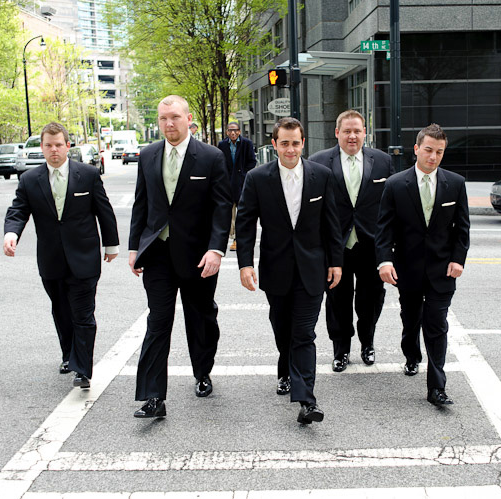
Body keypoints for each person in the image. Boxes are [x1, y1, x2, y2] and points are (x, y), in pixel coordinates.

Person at [129, 95, 232, 419]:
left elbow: (221, 208)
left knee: (201, 319)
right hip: (158, 254)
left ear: (189, 119)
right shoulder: (147, 155)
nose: (169, 123)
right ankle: (153, 397)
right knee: (158, 322)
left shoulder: (211, 157)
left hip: (199, 256)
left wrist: (216, 249)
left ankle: (203, 372)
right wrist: (134, 248)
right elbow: (140, 205)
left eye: (174, 117)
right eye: (163, 118)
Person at [235, 117, 342, 425]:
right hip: (276, 267)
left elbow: (331, 223)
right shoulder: (257, 178)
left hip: (313, 267)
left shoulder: (321, 176)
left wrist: (336, 262)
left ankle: (307, 400)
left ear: (303, 143)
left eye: (296, 143)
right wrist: (245, 264)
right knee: (283, 330)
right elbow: (244, 225)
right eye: (285, 143)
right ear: (275, 144)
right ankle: (285, 370)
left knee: (304, 333)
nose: (291, 149)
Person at [3, 122, 119, 389]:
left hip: (84, 256)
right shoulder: (30, 180)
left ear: (68, 146)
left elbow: (104, 210)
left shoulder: (87, 174)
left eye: (58, 145)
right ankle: (69, 355)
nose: (53, 150)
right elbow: (18, 211)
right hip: (51, 258)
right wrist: (11, 234)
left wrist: (111, 245)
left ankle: (82, 367)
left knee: (83, 313)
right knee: (61, 311)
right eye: (48, 145)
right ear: (41, 148)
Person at [375, 123, 469, 406]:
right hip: (409, 268)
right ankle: (411, 355)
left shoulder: (455, 183)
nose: (433, 156)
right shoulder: (395, 184)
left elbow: (461, 229)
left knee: (437, 324)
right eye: (428, 150)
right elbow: (384, 230)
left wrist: (458, 259)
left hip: (442, 270)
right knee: (411, 318)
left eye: (439, 151)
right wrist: (384, 261)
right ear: (416, 149)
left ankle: (437, 388)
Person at [309, 110, 394, 372]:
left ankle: (367, 342)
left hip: (371, 245)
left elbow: (390, 206)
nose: (352, 136)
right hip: (336, 246)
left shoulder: (382, 162)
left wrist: (390, 248)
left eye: (357, 130)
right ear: (337, 133)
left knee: (372, 299)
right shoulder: (319, 162)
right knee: (337, 300)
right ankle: (341, 349)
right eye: (347, 131)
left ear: (365, 132)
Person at [218, 121, 256, 251]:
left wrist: (245, 175)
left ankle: (237, 240)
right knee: (229, 213)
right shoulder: (222, 145)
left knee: (242, 213)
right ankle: (232, 236)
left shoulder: (246, 144)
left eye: (235, 130)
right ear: (227, 132)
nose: (233, 133)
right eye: (230, 130)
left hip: (242, 182)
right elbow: (220, 162)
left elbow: (252, 161)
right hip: (228, 183)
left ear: (239, 131)